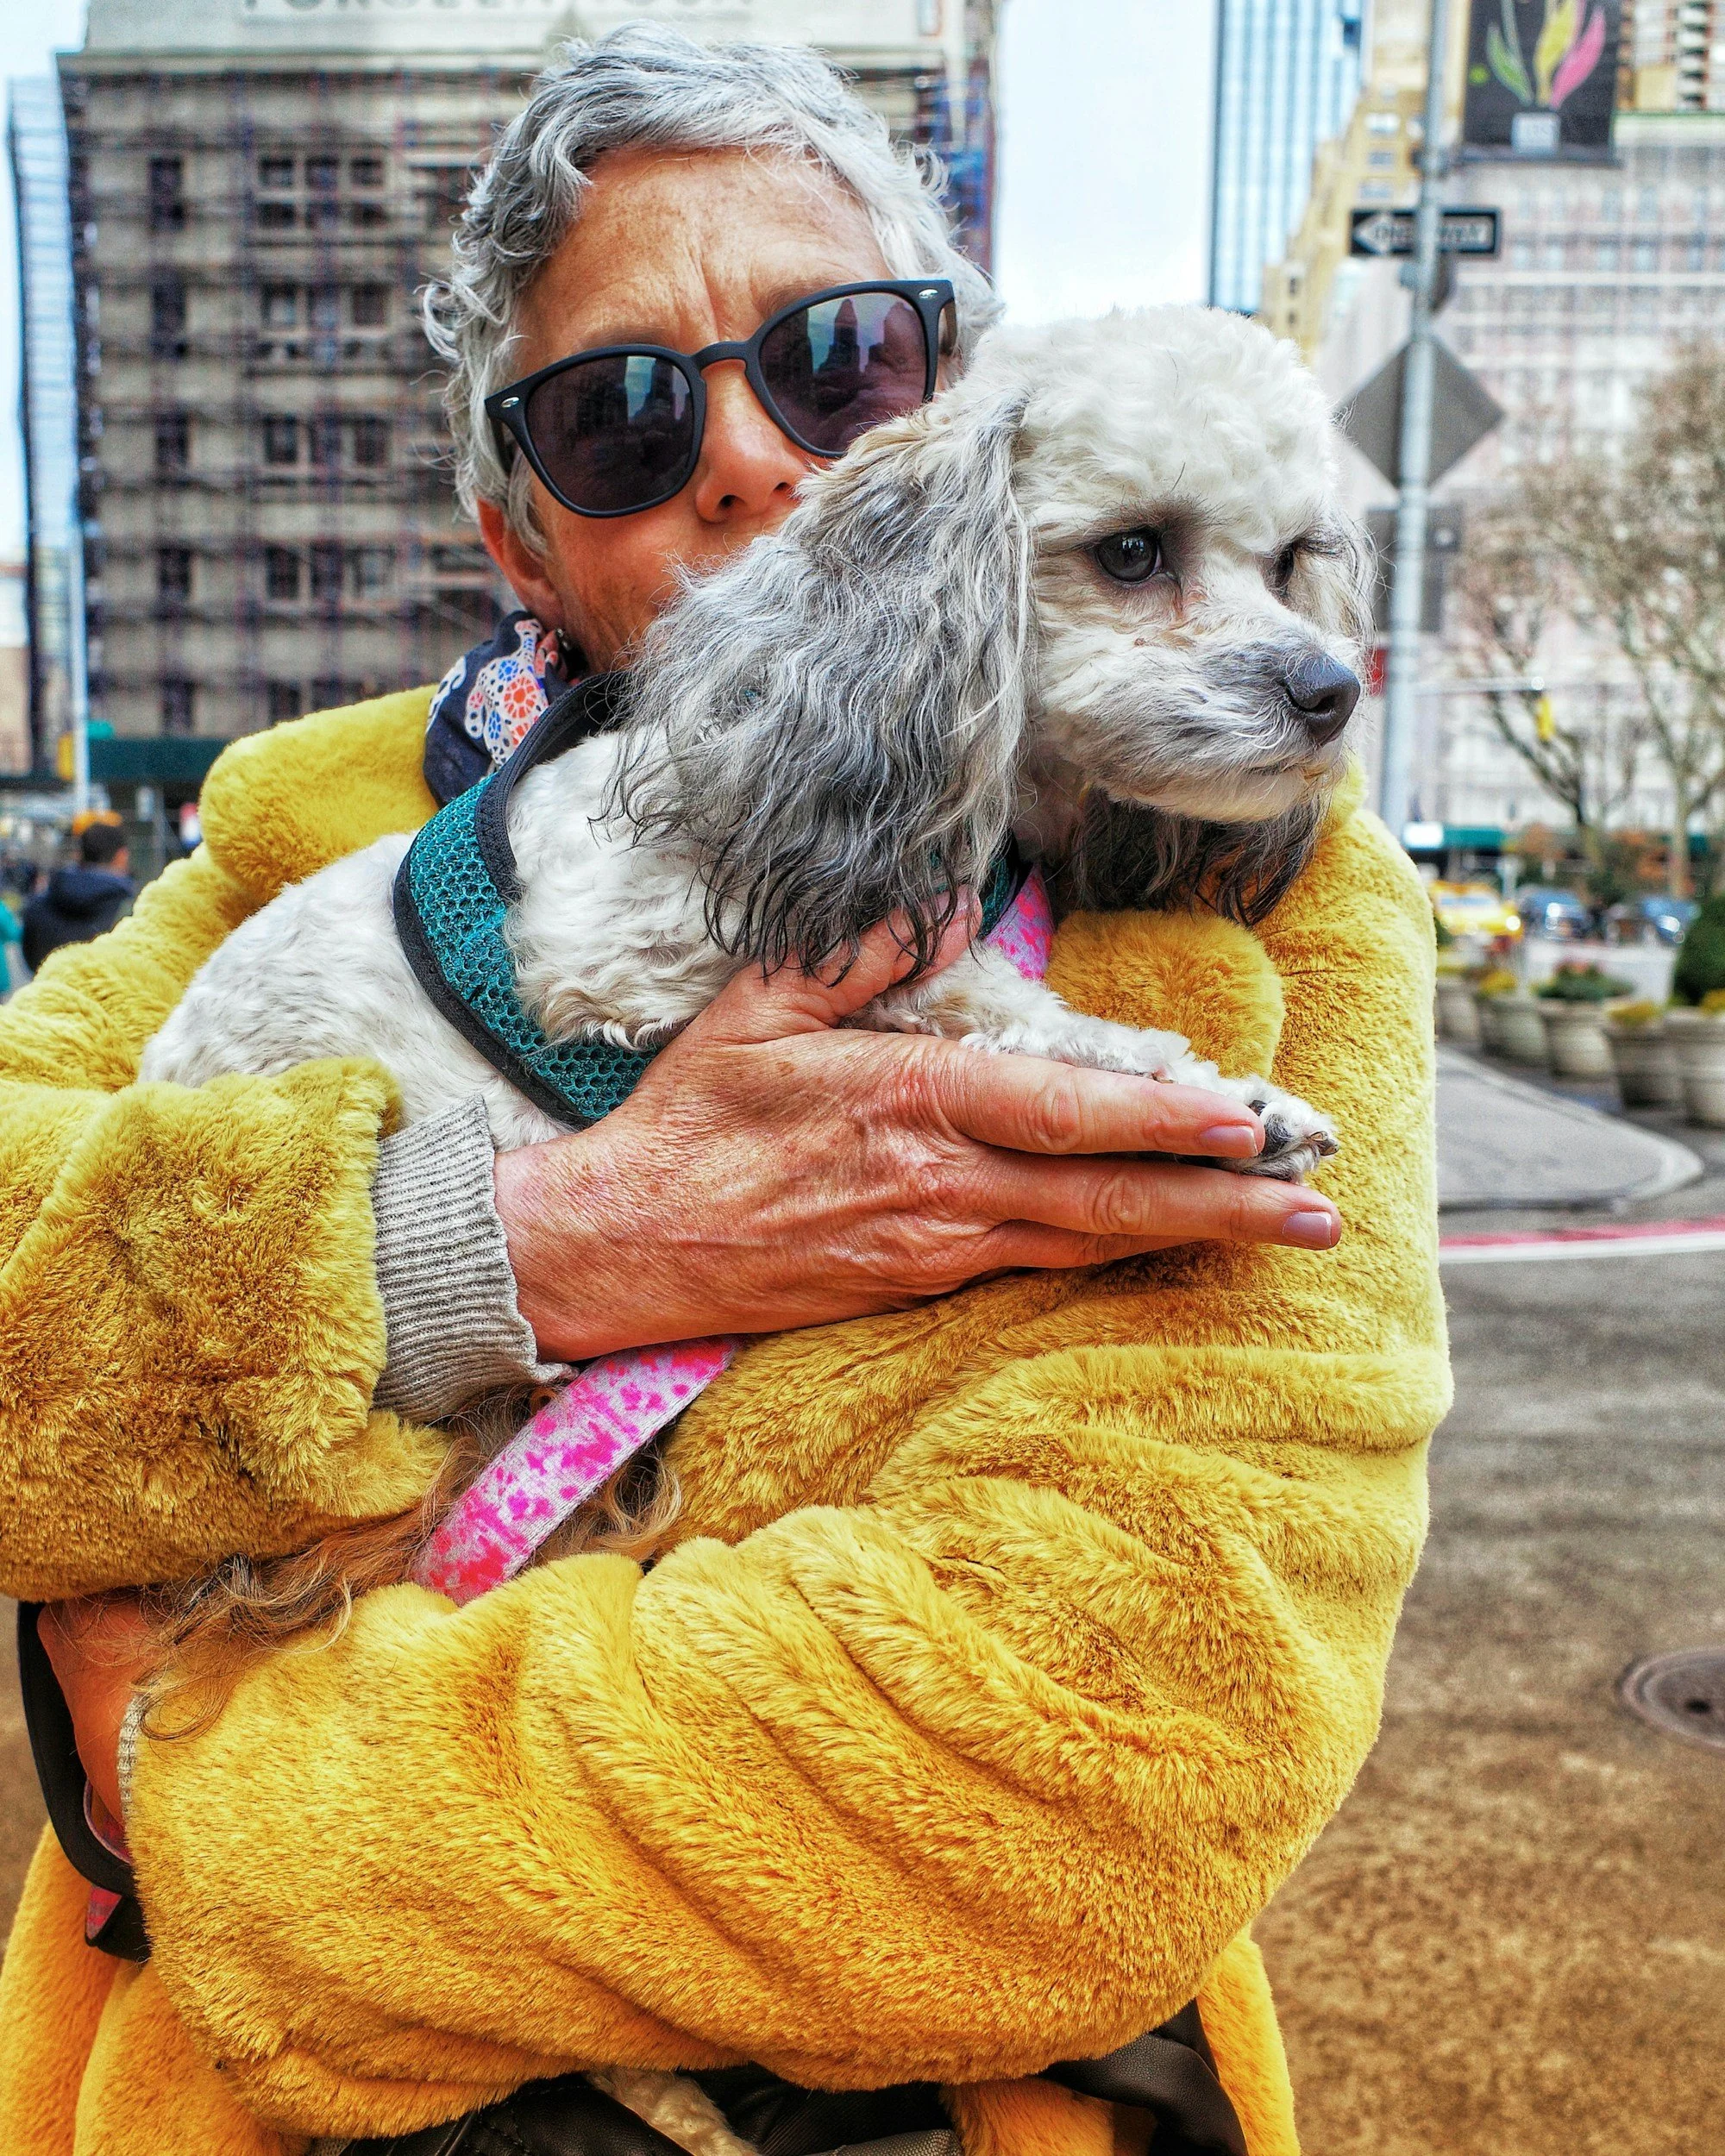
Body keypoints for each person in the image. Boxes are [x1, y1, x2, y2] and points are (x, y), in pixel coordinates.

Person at [0, 29, 1448, 2156]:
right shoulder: (293, 852)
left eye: (841, 359)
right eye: (618, 413)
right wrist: (498, 1254)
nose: (753, 459)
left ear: (959, 401)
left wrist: (189, 1788)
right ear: (513, 528)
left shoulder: (1271, 906)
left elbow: (1091, 1772)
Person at [18, 817, 135, 972]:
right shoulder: (131, 909)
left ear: (79, 855)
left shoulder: (40, 904)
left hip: (48, 990)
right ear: (121, 856)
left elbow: (30, 958)